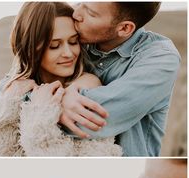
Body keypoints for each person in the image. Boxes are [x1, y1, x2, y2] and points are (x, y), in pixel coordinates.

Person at [0, 2, 121, 157]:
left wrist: (41, 113)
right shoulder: (14, 91)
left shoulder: (86, 85)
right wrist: (6, 107)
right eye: (54, 45)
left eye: (73, 41)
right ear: (31, 49)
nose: (68, 53)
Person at [60, 2, 181, 156]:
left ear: (124, 28)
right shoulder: (71, 40)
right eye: (80, 2)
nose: (76, 13)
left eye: (90, 13)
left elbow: (92, 121)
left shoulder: (161, 58)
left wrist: (49, 102)